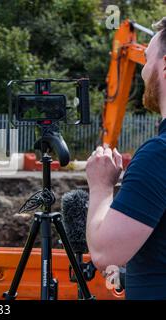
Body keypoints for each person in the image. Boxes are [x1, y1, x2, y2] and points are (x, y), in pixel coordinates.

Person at [86, 17, 166, 299]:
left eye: (147, 59)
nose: (143, 72)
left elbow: (105, 252)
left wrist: (101, 186)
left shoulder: (159, 155)